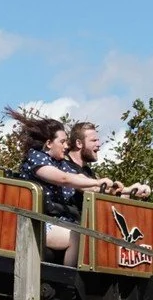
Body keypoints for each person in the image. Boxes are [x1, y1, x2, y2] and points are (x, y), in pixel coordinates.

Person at [12, 108, 111, 265]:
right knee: (78, 235)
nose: (66, 146)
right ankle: (69, 282)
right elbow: (64, 179)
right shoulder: (36, 160)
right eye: (62, 142)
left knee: (96, 231)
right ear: (49, 143)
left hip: (59, 221)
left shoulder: (60, 162)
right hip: (37, 222)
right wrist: (97, 182)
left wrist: (118, 189)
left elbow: (80, 180)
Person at [68, 121, 151, 198]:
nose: (99, 144)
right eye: (94, 140)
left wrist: (129, 191)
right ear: (79, 143)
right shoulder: (64, 165)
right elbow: (83, 184)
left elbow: (104, 192)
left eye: (98, 140)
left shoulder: (89, 172)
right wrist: (127, 190)